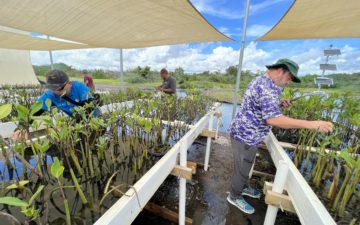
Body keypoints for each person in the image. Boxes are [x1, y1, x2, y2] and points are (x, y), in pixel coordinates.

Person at [227, 59, 333, 214]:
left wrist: (279, 103)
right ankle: (234, 196)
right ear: (281, 70)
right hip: (245, 135)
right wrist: (312, 124)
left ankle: (244, 187)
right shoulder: (266, 87)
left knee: (247, 164)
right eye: (290, 77)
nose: (290, 82)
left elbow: (262, 105)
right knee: (242, 168)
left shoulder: (268, 84)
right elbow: (273, 119)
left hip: (252, 135)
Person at [12, 70, 98, 140]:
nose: (56, 92)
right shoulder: (50, 95)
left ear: (69, 83)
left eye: (59, 88)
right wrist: (21, 128)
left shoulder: (80, 87)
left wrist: (70, 125)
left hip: (95, 120)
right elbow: (33, 112)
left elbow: (89, 108)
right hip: (77, 124)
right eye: (52, 89)